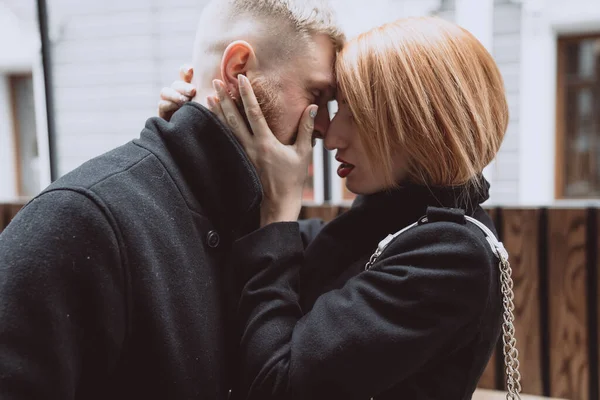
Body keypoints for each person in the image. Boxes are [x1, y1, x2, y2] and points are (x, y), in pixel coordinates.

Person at [0, 1, 344, 398]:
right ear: (238, 70)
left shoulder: (260, 224)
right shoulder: (78, 220)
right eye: (316, 93)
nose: (324, 127)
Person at [159, 16, 509, 400]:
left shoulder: (451, 257)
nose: (331, 135)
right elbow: (249, 249)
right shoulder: (385, 224)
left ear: (421, 123)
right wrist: (202, 135)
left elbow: (277, 384)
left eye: (355, 114)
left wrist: (280, 211)